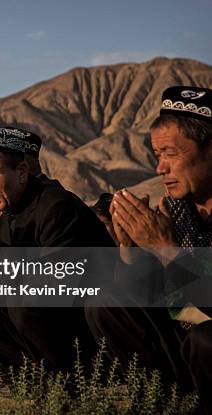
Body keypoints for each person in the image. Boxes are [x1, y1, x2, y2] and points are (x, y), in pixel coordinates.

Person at [0, 126, 114, 375]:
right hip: (45, 322)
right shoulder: (10, 212)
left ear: (21, 171)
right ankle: (34, 382)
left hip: (88, 329)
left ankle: (68, 380)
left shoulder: (56, 207)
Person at [85, 86, 212, 414]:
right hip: (189, 331)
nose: (160, 168)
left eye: (170, 153)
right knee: (106, 302)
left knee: (207, 339)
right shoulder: (179, 209)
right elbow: (175, 303)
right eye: (157, 155)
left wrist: (166, 248)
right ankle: (163, 403)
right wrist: (130, 251)